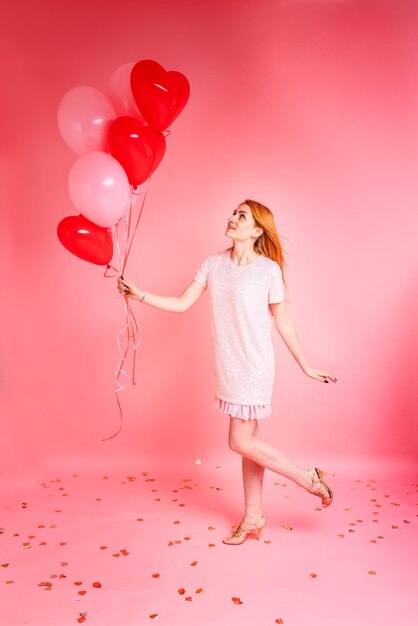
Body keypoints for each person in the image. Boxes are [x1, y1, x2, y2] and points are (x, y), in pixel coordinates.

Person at [117, 199, 337, 545]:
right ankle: (253, 517)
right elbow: (181, 303)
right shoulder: (213, 264)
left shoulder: (268, 271)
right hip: (228, 367)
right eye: (233, 213)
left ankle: (307, 478)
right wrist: (139, 295)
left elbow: (282, 320)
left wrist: (305, 365)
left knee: (239, 441)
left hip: (255, 366)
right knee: (252, 444)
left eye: (241, 216)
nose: (232, 219)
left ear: (257, 230)